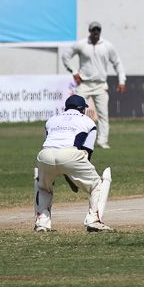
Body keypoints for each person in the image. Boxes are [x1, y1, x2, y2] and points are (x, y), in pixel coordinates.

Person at [34, 94, 112, 232]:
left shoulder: (51, 120)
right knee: (96, 185)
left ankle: (42, 223)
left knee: (44, 187)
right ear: (82, 109)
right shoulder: (88, 122)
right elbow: (87, 153)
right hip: (70, 155)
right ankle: (94, 220)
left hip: (45, 155)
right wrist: (73, 179)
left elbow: (52, 145)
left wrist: (69, 176)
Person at [61, 21, 127, 149]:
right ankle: (74, 140)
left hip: (101, 85)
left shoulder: (107, 46)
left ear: (100, 31)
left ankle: (102, 141)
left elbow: (117, 63)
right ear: (90, 31)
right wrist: (74, 71)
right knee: (75, 113)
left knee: (103, 115)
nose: (96, 32)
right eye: (93, 30)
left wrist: (122, 81)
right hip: (84, 84)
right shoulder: (81, 44)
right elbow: (66, 56)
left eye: (98, 30)